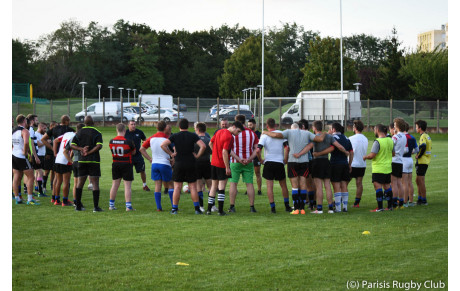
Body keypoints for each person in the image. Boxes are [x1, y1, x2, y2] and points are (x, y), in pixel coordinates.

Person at [263, 122, 325, 215]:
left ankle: (296, 208)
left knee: (295, 186)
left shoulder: (289, 132)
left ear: (293, 128)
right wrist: (325, 132)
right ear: (300, 127)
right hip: (304, 161)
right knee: (303, 184)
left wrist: (265, 132)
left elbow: (276, 134)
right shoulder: (306, 133)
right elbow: (320, 139)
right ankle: (302, 208)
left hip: (292, 161)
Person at [298, 121, 349, 214]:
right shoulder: (329, 136)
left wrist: (299, 154)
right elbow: (339, 146)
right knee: (327, 185)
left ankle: (320, 208)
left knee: (318, 186)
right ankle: (330, 208)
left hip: (317, 162)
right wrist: (346, 152)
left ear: (314, 128)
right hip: (326, 162)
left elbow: (309, 147)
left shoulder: (315, 137)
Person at [160, 119, 206, 214]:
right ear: (188, 126)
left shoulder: (175, 135)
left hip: (179, 163)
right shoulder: (193, 135)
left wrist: (171, 153)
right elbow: (203, 146)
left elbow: (163, 145)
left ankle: (174, 209)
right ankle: (197, 209)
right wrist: (197, 156)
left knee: (177, 187)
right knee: (193, 187)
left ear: (179, 126)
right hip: (191, 163)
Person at [206, 121, 245, 215]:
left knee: (213, 186)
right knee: (221, 187)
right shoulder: (229, 136)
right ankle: (220, 211)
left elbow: (210, 143)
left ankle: (208, 210)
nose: (238, 134)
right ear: (234, 127)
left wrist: (238, 159)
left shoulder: (219, 131)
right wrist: (227, 167)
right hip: (221, 164)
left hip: (213, 163)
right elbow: (224, 151)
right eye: (238, 131)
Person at [257, 118, 291, 213]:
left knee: (269, 186)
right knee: (283, 185)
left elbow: (258, 150)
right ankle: (287, 206)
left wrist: (261, 160)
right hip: (279, 162)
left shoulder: (264, 136)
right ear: (275, 125)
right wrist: (285, 159)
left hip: (269, 162)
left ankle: (273, 208)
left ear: (267, 126)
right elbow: (287, 148)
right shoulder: (281, 134)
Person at [70, 116, 103, 212]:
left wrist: (81, 149)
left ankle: (78, 206)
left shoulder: (79, 132)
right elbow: (99, 145)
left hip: (82, 160)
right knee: (95, 183)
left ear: (84, 123)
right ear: (93, 122)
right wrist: (89, 152)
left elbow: (72, 145)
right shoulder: (97, 132)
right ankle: (96, 207)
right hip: (94, 160)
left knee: (80, 183)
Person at [140, 121, 174, 211]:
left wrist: (150, 159)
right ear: (165, 128)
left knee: (157, 185)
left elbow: (141, 149)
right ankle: (173, 206)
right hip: (165, 163)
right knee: (170, 184)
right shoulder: (167, 138)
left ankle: (159, 207)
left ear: (157, 128)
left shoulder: (151, 138)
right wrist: (173, 158)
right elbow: (174, 149)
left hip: (155, 164)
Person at [228, 114, 259, 213]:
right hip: (248, 162)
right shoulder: (251, 133)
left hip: (235, 161)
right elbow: (257, 149)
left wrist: (239, 158)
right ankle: (252, 207)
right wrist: (249, 159)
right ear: (245, 121)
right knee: (249, 184)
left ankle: (232, 206)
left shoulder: (232, 133)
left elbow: (228, 149)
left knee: (233, 183)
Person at [41, 115, 74, 203]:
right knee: (65, 180)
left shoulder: (54, 129)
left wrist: (53, 150)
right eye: (69, 121)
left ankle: (54, 198)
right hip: (65, 156)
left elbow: (43, 139)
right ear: (66, 121)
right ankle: (64, 200)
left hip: (57, 156)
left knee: (57, 178)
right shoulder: (70, 131)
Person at [363, 124, 395, 212]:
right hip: (387, 168)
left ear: (377, 130)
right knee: (387, 187)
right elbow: (393, 153)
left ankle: (380, 207)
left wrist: (365, 157)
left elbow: (372, 155)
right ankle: (390, 206)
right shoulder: (390, 140)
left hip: (378, 168)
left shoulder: (377, 142)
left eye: (374, 130)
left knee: (378, 187)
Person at [12, 114, 40, 205]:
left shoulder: (13, 131)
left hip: (14, 155)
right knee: (31, 177)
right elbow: (26, 143)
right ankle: (30, 199)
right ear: (24, 121)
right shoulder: (25, 131)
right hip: (21, 156)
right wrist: (25, 152)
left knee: (16, 176)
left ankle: (17, 198)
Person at [326, 123, 353, 212]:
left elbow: (332, 149)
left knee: (336, 185)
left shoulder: (332, 138)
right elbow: (351, 152)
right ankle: (345, 207)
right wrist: (349, 164)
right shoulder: (346, 138)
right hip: (345, 164)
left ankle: (338, 208)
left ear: (333, 129)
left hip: (335, 164)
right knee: (344, 185)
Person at [109, 123, 136, 211]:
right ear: (124, 130)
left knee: (114, 185)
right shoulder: (128, 141)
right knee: (127, 186)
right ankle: (128, 206)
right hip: (126, 164)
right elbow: (133, 152)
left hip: (116, 163)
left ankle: (111, 205)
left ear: (117, 130)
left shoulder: (111, 141)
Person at [53, 128, 77, 206]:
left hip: (58, 159)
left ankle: (56, 200)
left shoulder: (67, 134)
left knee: (58, 181)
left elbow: (55, 140)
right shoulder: (76, 136)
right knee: (66, 182)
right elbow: (72, 149)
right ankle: (65, 201)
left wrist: (55, 153)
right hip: (65, 160)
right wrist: (70, 159)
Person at [125, 120, 149, 191]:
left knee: (142, 170)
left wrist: (145, 142)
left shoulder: (139, 132)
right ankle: (128, 187)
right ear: (128, 125)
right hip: (129, 156)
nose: (133, 126)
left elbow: (145, 140)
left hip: (138, 155)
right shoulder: (125, 133)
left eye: (134, 124)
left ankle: (144, 185)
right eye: (132, 124)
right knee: (129, 172)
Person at [64, 123, 85, 207]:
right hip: (81, 161)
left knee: (76, 183)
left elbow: (65, 151)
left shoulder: (72, 138)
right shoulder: (82, 138)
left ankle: (76, 201)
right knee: (80, 184)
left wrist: (71, 161)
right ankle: (78, 202)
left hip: (75, 162)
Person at [349, 120, 368, 208]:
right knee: (359, 183)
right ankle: (357, 202)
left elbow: (351, 152)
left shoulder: (351, 138)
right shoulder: (365, 139)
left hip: (353, 164)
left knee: (344, 183)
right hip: (361, 164)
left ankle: (339, 200)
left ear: (355, 128)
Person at [194, 122, 213, 212]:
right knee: (210, 185)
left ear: (197, 129)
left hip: (196, 164)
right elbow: (212, 152)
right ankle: (212, 206)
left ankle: (201, 206)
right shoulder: (209, 140)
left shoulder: (194, 141)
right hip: (207, 163)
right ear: (205, 130)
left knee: (199, 185)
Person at [390, 118, 407, 209]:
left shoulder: (395, 137)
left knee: (394, 183)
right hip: (400, 161)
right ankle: (401, 203)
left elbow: (390, 147)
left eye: (395, 125)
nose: (394, 127)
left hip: (394, 160)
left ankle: (394, 203)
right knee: (399, 183)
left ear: (398, 126)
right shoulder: (404, 136)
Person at [415, 120, 432, 206]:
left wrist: (419, 155)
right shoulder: (427, 135)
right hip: (425, 161)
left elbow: (423, 146)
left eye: (416, 127)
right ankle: (420, 199)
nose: (416, 128)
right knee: (418, 180)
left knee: (420, 181)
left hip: (422, 161)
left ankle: (423, 200)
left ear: (420, 128)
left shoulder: (423, 137)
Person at [402, 121, 418, 207]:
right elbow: (417, 150)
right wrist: (412, 152)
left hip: (404, 160)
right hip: (410, 160)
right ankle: (411, 201)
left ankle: (405, 202)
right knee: (409, 182)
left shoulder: (403, 137)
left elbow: (405, 149)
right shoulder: (412, 137)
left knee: (404, 182)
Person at [247, 118, 262, 196]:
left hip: (256, 156)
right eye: (248, 125)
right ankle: (248, 189)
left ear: (255, 125)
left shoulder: (259, 134)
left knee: (257, 173)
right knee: (248, 174)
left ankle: (259, 190)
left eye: (251, 125)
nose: (249, 126)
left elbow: (260, 145)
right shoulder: (247, 133)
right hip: (248, 156)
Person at [42, 121, 57, 195]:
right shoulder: (47, 134)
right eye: (55, 126)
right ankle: (44, 186)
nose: (56, 127)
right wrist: (46, 153)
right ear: (51, 126)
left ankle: (52, 186)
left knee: (53, 171)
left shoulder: (56, 134)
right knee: (46, 171)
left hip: (54, 155)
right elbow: (44, 143)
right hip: (48, 155)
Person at [34, 122, 48, 197]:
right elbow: (38, 144)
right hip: (38, 155)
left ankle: (37, 188)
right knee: (40, 172)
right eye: (44, 128)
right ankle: (40, 192)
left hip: (42, 155)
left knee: (37, 172)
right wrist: (45, 142)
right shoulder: (36, 134)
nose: (45, 130)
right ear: (40, 127)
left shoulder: (42, 135)